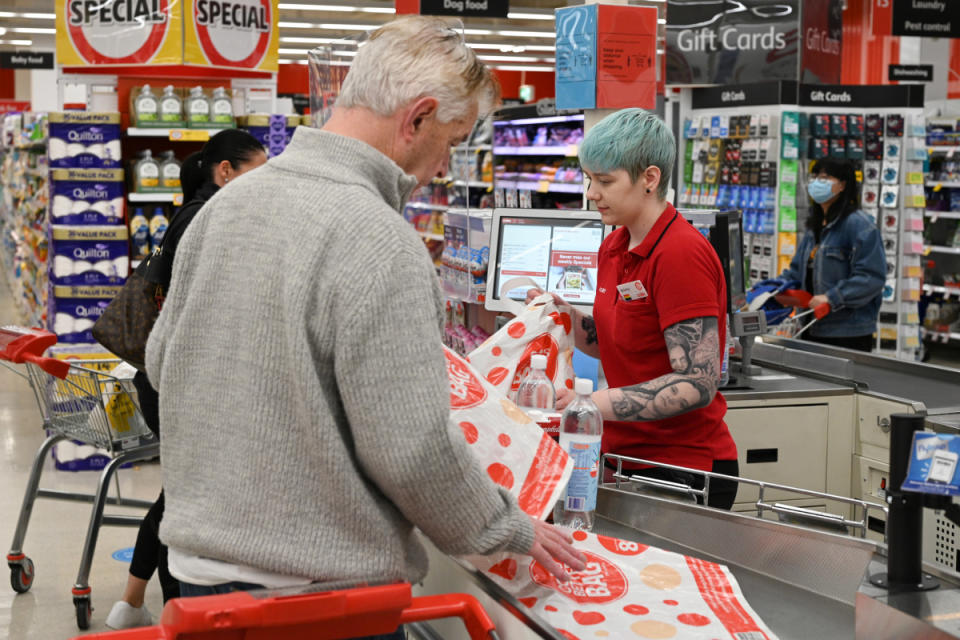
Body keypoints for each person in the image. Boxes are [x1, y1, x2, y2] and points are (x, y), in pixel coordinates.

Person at [145, 16, 584, 633]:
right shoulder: (379, 242)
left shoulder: (225, 208)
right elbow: (410, 450)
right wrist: (502, 527)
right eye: (454, 141)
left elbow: (165, 365)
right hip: (316, 594)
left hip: (197, 573)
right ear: (418, 119)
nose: (445, 164)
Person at [527, 108, 739, 510]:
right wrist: (565, 317)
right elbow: (620, 341)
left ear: (650, 179)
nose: (592, 193)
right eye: (590, 179)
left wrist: (586, 404)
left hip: (681, 469)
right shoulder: (616, 245)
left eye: (605, 181)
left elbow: (696, 381)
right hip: (625, 459)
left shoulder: (680, 254)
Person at [106, 132, 267, 629]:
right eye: (258, 170)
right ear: (226, 172)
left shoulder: (191, 215)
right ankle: (150, 606)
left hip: (166, 373)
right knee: (181, 496)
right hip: (176, 378)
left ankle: (144, 605)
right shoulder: (209, 220)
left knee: (181, 492)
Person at [778, 158, 885, 351]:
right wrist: (773, 289)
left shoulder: (859, 226)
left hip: (847, 333)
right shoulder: (815, 227)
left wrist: (831, 298)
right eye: (815, 177)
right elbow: (796, 272)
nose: (817, 182)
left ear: (843, 185)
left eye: (825, 178)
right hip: (812, 325)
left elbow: (871, 278)